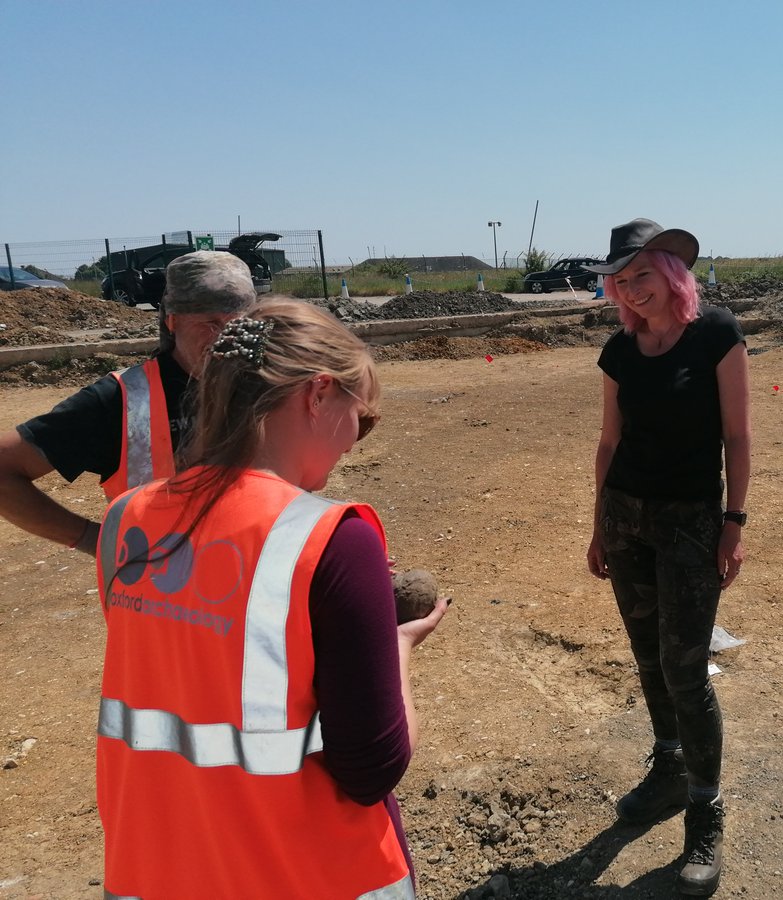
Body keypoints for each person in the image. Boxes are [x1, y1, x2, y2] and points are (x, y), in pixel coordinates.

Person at [94, 297, 448, 898]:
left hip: (160, 868)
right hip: (302, 873)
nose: (354, 443)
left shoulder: (126, 518)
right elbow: (371, 768)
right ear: (317, 394)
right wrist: (397, 647)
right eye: (360, 417)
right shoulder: (334, 537)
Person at [584, 218, 751, 897]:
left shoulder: (716, 333)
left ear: (672, 272)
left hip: (691, 525)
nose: (632, 289)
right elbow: (607, 444)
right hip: (626, 520)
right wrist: (598, 526)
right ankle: (668, 768)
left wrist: (734, 523)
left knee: (687, 671)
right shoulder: (620, 348)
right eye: (621, 281)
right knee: (649, 658)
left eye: (641, 276)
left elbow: (738, 437)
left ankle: (704, 808)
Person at [0, 251, 256, 555]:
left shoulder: (266, 385)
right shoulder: (123, 399)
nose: (225, 336)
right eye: (210, 322)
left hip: (259, 583)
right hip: (162, 592)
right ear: (172, 321)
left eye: (238, 323)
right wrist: (94, 539)